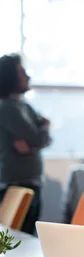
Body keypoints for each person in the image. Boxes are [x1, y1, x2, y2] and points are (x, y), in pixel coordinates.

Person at [0, 53, 51, 235]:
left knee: (27, 238)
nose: (27, 76)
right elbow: (38, 137)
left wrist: (35, 142)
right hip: (15, 184)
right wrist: (42, 130)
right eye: (22, 72)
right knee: (15, 240)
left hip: (31, 182)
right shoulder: (7, 108)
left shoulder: (24, 106)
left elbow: (43, 139)